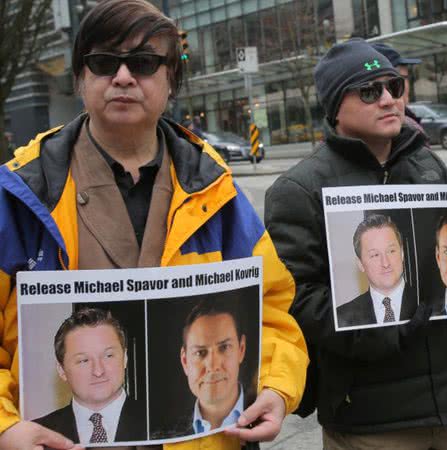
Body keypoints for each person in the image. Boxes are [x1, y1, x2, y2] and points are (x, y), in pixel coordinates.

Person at [0, 1, 308, 449]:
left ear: (170, 82)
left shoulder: (217, 194)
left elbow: (272, 313)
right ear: (81, 79)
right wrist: (5, 426)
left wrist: (278, 388)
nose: (123, 77)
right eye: (104, 63)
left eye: (143, 63)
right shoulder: (20, 197)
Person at [264, 38, 447, 449]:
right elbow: (295, 299)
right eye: (369, 91)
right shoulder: (298, 190)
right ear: (334, 107)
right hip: (369, 420)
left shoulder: (427, 166)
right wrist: (382, 328)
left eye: (394, 87)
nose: (388, 99)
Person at [33, 308, 145, 444]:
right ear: (61, 370)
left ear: (125, 358)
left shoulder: (163, 423)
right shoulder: (38, 435)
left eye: (108, 356)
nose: (98, 371)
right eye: (83, 360)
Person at [179, 300, 248, 435]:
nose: (212, 366)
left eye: (224, 347)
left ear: (241, 349)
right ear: (185, 361)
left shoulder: (261, 405)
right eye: (200, 353)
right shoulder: (164, 433)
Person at [337, 214, 416, 327]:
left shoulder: (432, 305)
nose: (385, 263)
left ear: (402, 253)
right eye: (375, 255)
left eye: (391, 251)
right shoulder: (342, 317)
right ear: (360, 264)